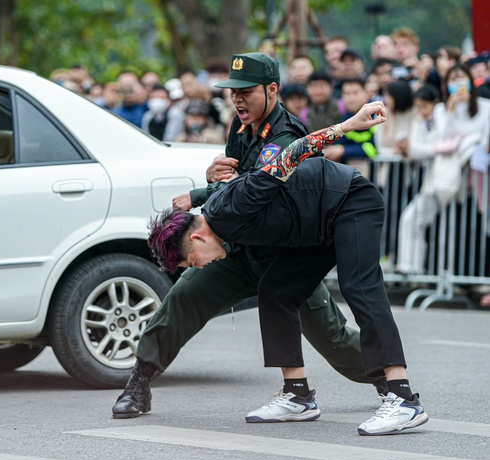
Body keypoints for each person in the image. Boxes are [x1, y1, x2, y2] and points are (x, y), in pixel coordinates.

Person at [112, 52, 384, 421]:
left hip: (282, 252)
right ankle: (139, 383)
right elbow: (231, 185)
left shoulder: (286, 132)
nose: (238, 99)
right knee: (183, 298)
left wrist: (199, 194)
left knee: (332, 338)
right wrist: (212, 178)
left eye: (247, 91)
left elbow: (257, 186)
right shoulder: (240, 129)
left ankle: (388, 378)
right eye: (233, 92)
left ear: (272, 90)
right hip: (233, 247)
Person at [147, 101, 429, 436]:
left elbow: (291, 154)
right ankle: (298, 396)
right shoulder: (222, 224)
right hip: (315, 227)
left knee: (359, 287)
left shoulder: (229, 209)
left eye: (194, 261)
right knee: (275, 290)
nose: (202, 266)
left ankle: (403, 399)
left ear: (196, 238)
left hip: (350, 203)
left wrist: (349, 124)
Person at [396, 65, 490, 275]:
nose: (458, 83)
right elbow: (440, 141)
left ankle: (470, 280)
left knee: (469, 231)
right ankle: (411, 270)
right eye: (452, 79)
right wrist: (450, 110)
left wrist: (464, 145)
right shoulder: (440, 110)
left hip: (475, 182)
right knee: (413, 218)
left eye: (461, 78)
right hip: (442, 179)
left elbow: (484, 142)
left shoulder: (485, 107)